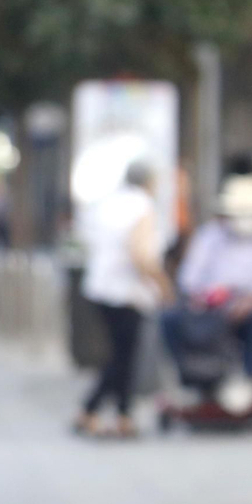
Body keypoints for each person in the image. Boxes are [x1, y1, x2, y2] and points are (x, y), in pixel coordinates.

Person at [163, 173, 252, 386]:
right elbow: (189, 277)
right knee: (170, 319)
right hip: (213, 306)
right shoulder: (211, 234)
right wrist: (206, 296)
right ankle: (191, 377)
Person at [72, 162, 171, 439]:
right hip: (126, 291)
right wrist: (162, 285)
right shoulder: (142, 207)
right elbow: (140, 253)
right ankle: (92, 409)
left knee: (123, 355)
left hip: (100, 286)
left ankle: (122, 414)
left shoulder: (110, 204)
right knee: (123, 356)